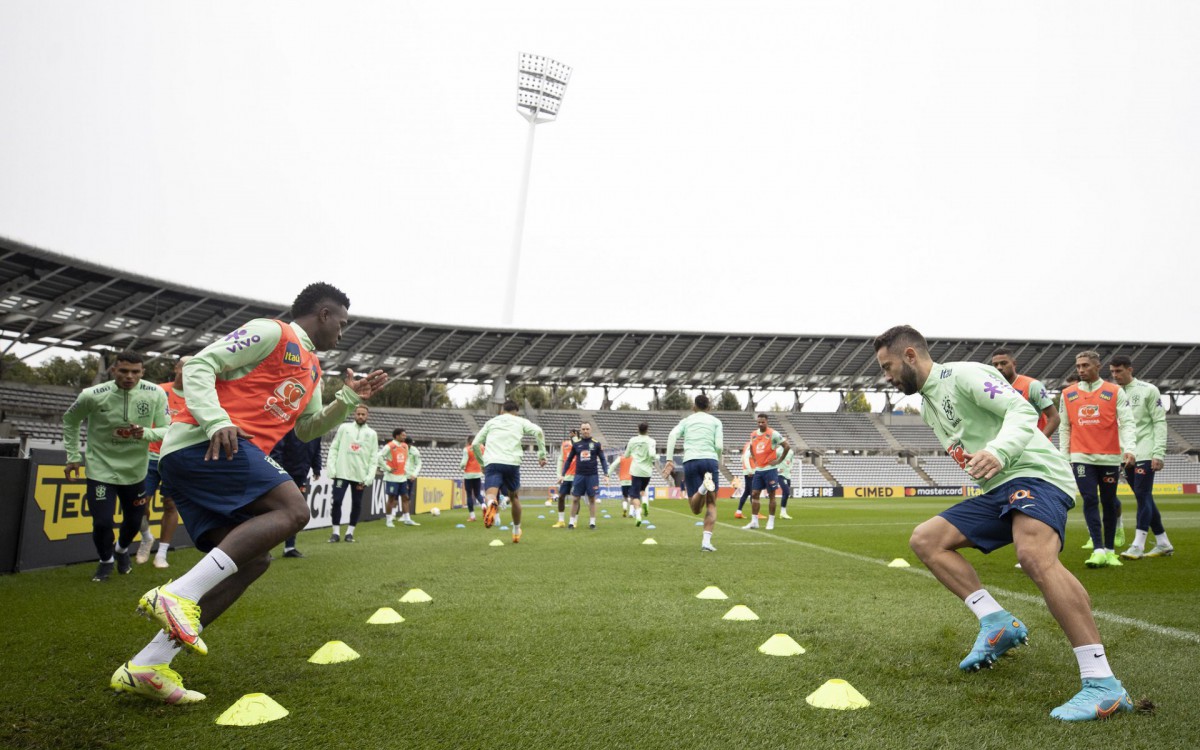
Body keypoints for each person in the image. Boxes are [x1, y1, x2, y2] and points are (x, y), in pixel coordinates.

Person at [112, 282, 387, 705]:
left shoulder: (313, 368)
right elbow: (201, 365)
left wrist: (348, 398)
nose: (343, 334)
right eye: (343, 324)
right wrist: (216, 419)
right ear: (325, 314)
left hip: (221, 457)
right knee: (294, 510)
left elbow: (306, 428)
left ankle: (148, 664)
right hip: (202, 443)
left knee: (252, 561)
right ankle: (177, 594)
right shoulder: (273, 332)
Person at [874, 325, 1133, 721]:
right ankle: (997, 623)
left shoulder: (963, 375)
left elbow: (1021, 411)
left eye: (888, 366)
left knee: (1034, 556)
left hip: (1035, 473)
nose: (886, 377)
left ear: (910, 355)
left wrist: (997, 451)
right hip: (999, 487)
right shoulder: (928, 403)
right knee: (927, 540)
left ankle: (1103, 684)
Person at [62, 350, 169, 582]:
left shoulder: (156, 393)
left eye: (135, 372)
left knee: (133, 521)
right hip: (100, 468)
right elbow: (70, 420)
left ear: (143, 372)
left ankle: (121, 551)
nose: (129, 376)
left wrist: (146, 433)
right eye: (123, 371)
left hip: (135, 470)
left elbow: (166, 427)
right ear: (114, 370)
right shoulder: (92, 395)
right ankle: (105, 561)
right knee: (102, 521)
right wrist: (72, 456)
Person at [1059, 351, 1136, 567]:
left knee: (1109, 502)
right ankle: (1098, 549)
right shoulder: (1068, 394)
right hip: (1081, 456)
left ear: (1097, 366)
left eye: (1085, 366)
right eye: (1078, 366)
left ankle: (1110, 550)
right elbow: (1065, 426)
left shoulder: (1115, 391)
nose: (1081, 370)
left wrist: (1130, 449)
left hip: (1110, 457)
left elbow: (1127, 422)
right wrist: (1064, 456)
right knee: (1090, 500)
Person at [1109, 355, 1174, 559]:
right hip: (1126, 454)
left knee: (1143, 494)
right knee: (1143, 496)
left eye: (1119, 371)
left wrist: (1158, 453)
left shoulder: (1148, 390)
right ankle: (1163, 542)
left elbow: (1159, 422)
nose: (1115, 375)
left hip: (1145, 451)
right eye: (1112, 372)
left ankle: (1138, 544)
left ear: (1130, 369)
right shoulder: (1114, 393)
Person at [137, 355, 191, 569]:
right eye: (184, 367)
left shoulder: (198, 397)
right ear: (176, 368)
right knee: (140, 504)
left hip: (175, 457)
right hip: (149, 454)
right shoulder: (159, 390)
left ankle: (162, 553)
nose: (188, 372)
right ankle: (146, 537)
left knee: (170, 504)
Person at [663, 394, 734, 552]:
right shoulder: (716, 422)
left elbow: (672, 435)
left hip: (690, 461)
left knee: (695, 509)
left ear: (693, 407)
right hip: (710, 460)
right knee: (711, 503)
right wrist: (718, 459)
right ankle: (706, 542)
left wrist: (669, 460)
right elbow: (720, 446)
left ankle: (702, 487)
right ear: (709, 407)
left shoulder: (687, 421)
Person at [473, 399, 547, 544]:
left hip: (493, 462)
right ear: (516, 412)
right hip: (512, 463)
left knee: (490, 494)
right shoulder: (520, 421)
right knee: (514, 498)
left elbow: (475, 443)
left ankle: (491, 505)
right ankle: (515, 531)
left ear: (502, 411)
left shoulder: (492, 422)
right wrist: (542, 455)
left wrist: (482, 463)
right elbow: (538, 431)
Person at [327, 405, 379, 543]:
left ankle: (350, 533)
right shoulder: (344, 428)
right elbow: (334, 447)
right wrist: (332, 469)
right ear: (354, 414)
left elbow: (374, 457)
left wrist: (368, 478)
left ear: (367, 416)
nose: (360, 416)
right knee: (337, 501)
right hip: (342, 473)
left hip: (360, 476)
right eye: (358, 414)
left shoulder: (372, 434)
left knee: (356, 503)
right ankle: (335, 533)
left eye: (363, 414)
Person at [268, 428, 322, 558]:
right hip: (283, 476)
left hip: (301, 475)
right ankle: (264, 549)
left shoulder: (316, 430)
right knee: (271, 512)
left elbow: (316, 450)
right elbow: (277, 449)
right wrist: (279, 471)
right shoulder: (289, 427)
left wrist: (317, 467)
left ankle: (289, 547)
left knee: (296, 512)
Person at [990, 348, 1060, 439]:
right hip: (1008, 445)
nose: (999, 367)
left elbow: (1054, 418)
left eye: (1003, 363)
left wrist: (1040, 441)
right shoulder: (993, 389)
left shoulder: (1033, 385)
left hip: (1033, 447)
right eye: (995, 365)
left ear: (1014, 363)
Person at [743, 413, 790, 532]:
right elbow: (752, 449)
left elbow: (786, 446)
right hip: (759, 470)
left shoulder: (773, 433)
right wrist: (755, 460)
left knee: (771, 495)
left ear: (767, 421)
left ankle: (771, 521)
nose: (760, 424)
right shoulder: (753, 435)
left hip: (770, 470)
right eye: (759, 422)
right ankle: (754, 522)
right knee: (754, 494)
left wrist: (779, 460)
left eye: (763, 422)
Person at [562, 422, 609, 529]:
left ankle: (592, 523)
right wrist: (562, 474)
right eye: (583, 429)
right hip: (579, 476)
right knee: (575, 499)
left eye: (587, 429)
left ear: (590, 430)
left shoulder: (596, 444)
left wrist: (606, 474)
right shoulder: (576, 444)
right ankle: (571, 522)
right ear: (581, 430)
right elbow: (569, 460)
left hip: (592, 476)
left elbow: (602, 459)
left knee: (592, 499)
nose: (585, 431)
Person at [623, 422, 657, 526]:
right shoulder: (651, 441)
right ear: (647, 430)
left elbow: (626, 455)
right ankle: (645, 502)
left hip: (636, 470)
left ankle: (638, 516)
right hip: (647, 471)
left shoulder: (632, 440)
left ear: (638, 429)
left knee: (634, 496)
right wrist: (653, 458)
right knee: (643, 490)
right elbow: (652, 455)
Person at [378, 428, 410, 527]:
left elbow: (407, 459)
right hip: (392, 477)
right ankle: (388, 520)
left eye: (405, 435)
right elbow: (378, 456)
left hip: (402, 477)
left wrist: (406, 470)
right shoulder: (390, 446)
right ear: (397, 436)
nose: (405, 437)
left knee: (405, 497)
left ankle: (407, 519)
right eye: (403, 435)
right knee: (391, 499)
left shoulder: (405, 446)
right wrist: (387, 468)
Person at [552, 429, 579, 528]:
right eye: (570, 433)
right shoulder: (564, 444)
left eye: (574, 433)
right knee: (561, 497)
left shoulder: (579, 444)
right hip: (566, 476)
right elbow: (560, 459)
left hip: (577, 476)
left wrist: (575, 438)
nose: (571, 434)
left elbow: (577, 444)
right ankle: (561, 521)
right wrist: (559, 474)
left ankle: (575, 521)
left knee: (576, 498)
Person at [461, 434, 485, 521]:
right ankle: (483, 505)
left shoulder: (466, 449)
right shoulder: (481, 447)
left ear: (468, 441)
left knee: (469, 495)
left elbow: (464, 462)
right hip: (478, 474)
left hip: (468, 475)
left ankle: (472, 516)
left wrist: (461, 466)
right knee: (477, 494)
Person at [734, 439, 754, 519]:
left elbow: (742, 458)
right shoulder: (751, 445)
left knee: (746, 492)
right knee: (753, 492)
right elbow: (745, 457)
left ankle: (738, 512)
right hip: (750, 471)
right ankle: (755, 513)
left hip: (748, 471)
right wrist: (749, 469)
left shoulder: (747, 444)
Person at [404, 435, 422, 518]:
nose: (409, 445)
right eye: (408, 444)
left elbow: (419, 463)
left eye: (410, 444)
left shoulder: (414, 451)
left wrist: (414, 474)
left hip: (409, 476)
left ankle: (406, 515)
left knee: (407, 497)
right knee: (395, 496)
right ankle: (392, 515)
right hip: (399, 476)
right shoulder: (399, 449)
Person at [613, 453, 633, 517]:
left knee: (625, 497)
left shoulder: (621, 457)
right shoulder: (634, 458)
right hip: (631, 479)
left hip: (623, 480)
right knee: (632, 497)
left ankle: (625, 508)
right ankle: (631, 513)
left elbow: (614, 465)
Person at [777, 447, 795, 520]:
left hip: (788, 475)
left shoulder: (791, 451)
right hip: (781, 475)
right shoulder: (778, 450)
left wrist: (791, 468)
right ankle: (783, 512)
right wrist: (777, 469)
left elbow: (792, 461)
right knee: (787, 492)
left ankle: (783, 513)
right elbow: (772, 459)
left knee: (785, 494)